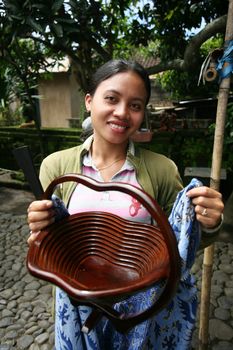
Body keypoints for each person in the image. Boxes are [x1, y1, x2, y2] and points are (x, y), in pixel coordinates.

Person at [27, 59, 224, 349]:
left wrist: (208, 222)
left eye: (135, 105)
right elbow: (48, 242)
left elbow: (182, 241)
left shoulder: (161, 169)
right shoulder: (56, 167)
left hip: (140, 310)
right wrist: (38, 229)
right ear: (89, 101)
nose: (122, 112)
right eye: (111, 98)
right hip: (77, 304)